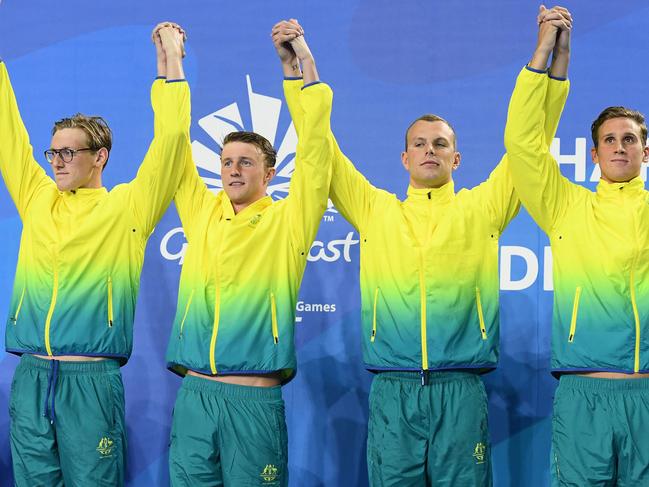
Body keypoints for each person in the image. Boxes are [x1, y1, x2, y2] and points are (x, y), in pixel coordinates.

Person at [274, 8, 570, 486]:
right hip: (393, 388)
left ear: (456, 156)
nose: (429, 150)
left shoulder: (483, 208)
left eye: (440, 143)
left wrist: (548, 61)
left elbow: (529, 148)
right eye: (420, 143)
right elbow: (319, 149)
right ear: (404, 157)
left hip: (462, 388)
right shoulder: (375, 210)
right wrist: (298, 70)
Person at [1, 24, 190, 485]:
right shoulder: (36, 198)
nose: (58, 161)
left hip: (90, 382)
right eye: (53, 153)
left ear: (100, 156)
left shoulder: (126, 207)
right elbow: (6, 130)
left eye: (70, 152)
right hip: (30, 378)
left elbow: (169, 145)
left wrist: (170, 63)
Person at [162, 24, 333, 486]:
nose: (233, 169)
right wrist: (171, 63)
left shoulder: (289, 221)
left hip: (253, 400)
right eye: (226, 161)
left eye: (246, 162)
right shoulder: (200, 212)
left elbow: (317, 152)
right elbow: (172, 146)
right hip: (195, 395)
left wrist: (298, 66)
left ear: (271, 173)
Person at [505, 7, 649, 486]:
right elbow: (523, 145)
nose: (620, 147)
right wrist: (548, 58)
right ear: (595, 153)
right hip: (583, 394)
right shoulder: (567, 207)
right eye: (609, 140)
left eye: (630, 139)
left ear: (645, 151)